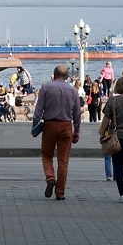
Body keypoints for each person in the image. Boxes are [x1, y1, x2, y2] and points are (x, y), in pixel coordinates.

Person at [32, 65, 81, 201]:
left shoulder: (46, 88)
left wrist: (34, 128)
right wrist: (76, 131)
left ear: (53, 75)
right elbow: (77, 114)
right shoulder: (73, 91)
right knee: (63, 161)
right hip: (66, 126)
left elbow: (38, 111)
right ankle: (60, 192)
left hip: (49, 125)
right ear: (66, 76)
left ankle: (50, 178)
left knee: (47, 155)